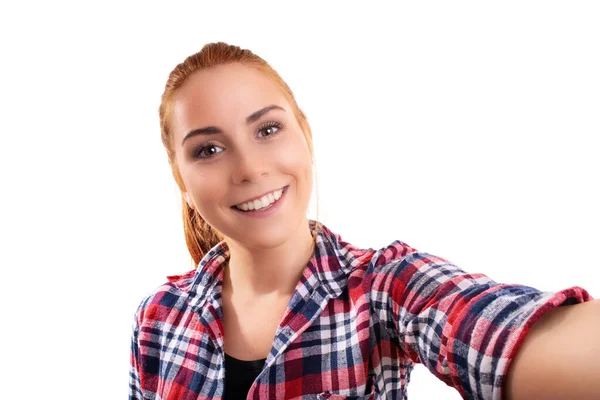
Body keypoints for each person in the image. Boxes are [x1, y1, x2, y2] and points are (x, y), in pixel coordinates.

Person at [129, 42, 598, 400]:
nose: (250, 168)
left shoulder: (384, 288)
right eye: (208, 149)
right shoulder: (157, 319)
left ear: (305, 135)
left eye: (268, 129)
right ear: (182, 181)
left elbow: (494, 330)